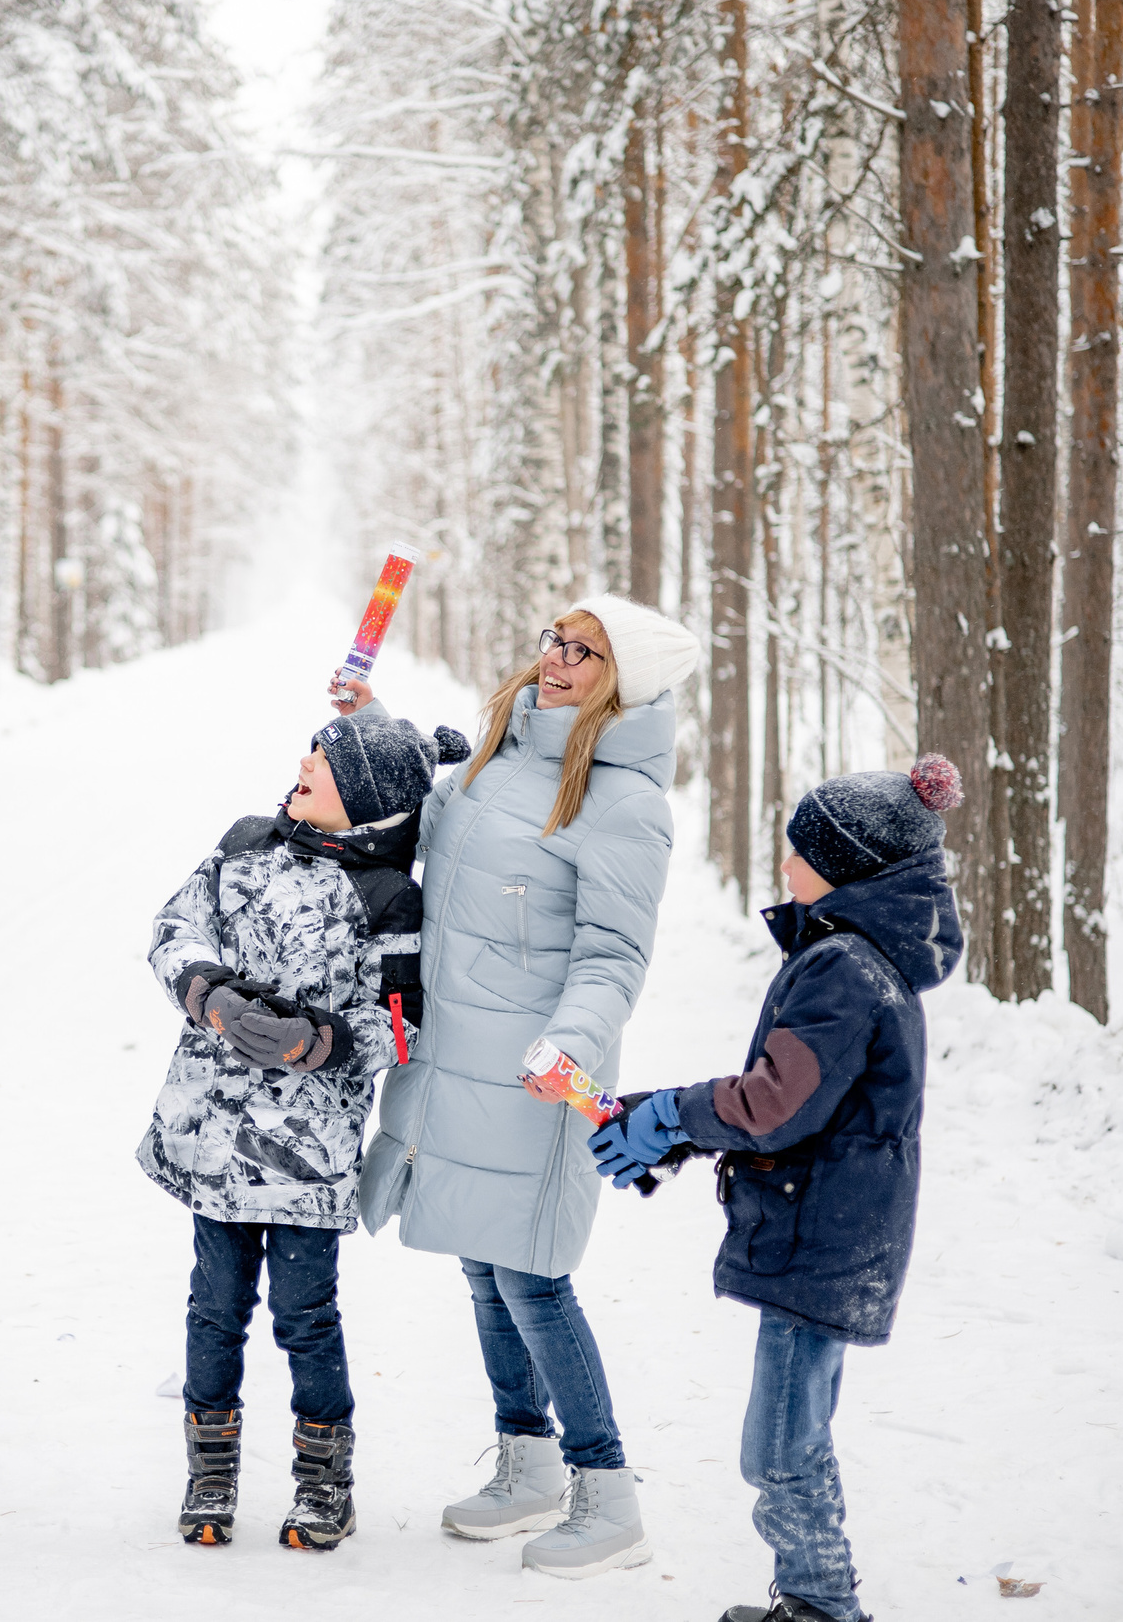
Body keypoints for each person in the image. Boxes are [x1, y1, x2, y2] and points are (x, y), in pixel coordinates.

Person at [338, 593, 699, 1579]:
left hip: (536, 1073)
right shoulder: (498, 757)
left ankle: (606, 1494)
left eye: (587, 652)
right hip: (454, 1057)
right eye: (557, 639)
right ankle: (527, 1463)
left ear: (627, 681)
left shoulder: (623, 802)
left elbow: (613, 955)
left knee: (533, 1275)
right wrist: (369, 724)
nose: (559, 659)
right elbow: (426, 821)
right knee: (480, 1258)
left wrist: (571, 1043)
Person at [590, 757, 966, 1622]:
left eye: (800, 852)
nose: (785, 865)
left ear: (848, 868)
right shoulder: (861, 959)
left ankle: (824, 1602)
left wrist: (675, 1117)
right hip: (833, 1230)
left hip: (821, 1240)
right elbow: (794, 1101)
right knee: (793, 1435)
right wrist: (673, 1126)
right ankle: (812, 1594)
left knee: (779, 1448)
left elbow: (769, 1106)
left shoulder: (843, 967)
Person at [141, 704, 469, 1551]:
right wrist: (207, 993)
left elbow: (405, 1022)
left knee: (305, 1314)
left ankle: (326, 1482)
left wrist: (320, 1039)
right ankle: (209, 1472)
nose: (302, 763)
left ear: (362, 797)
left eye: (323, 758)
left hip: (305, 1149)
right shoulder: (247, 840)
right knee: (213, 1310)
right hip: (215, 1132)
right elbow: (174, 927)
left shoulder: (391, 895)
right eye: (309, 750)